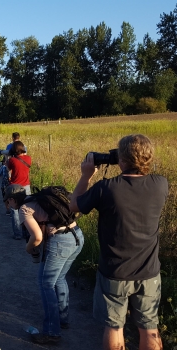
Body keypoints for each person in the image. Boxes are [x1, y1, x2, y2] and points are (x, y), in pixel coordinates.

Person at [69, 134, 168, 350]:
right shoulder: (161, 184)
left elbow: (74, 206)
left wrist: (86, 176)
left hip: (115, 271)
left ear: (121, 160)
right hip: (149, 272)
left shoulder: (107, 188)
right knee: (150, 328)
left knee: (114, 328)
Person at [4, 184, 84, 344]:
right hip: (77, 237)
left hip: (60, 242)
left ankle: (51, 332)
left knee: (46, 284)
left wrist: (28, 249)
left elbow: (37, 237)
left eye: (8, 202)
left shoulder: (24, 209)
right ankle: (62, 319)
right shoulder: (37, 199)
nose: (8, 205)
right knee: (59, 278)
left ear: (12, 200)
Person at [6, 141, 32, 239]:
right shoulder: (28, 159)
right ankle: (28, 233)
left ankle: (17, 234)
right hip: (26, 187)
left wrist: (7, 157)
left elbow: (8, 168)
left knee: (15, 211)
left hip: (14, 187)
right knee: (26, 210)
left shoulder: (12, 160)